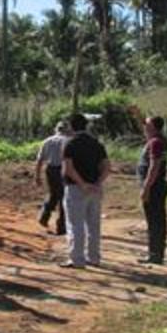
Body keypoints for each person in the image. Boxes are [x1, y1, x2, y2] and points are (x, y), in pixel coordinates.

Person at [61, 112, 110, 268]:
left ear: (71, 126)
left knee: (75, 224)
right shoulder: (96, 143)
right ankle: (94, 257)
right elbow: (107, 167)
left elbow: (68, 168)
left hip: (76, 188)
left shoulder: (70, 144)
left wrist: (82, 184)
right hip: (95, 188)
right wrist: (97, 183)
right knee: (94, 225)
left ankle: (77, 259)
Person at [136, 115, 167, 264]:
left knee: (154, 221)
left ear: (153, 127)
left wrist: (146, 187)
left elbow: (154, 166)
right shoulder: (158, 140)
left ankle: (155, 254)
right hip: (157, 186)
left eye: (147, 125)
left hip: (154, 187)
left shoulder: (155, 142)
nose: (144, 127)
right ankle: (156, 252)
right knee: (157, 220)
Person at [35, 120, 71, 235]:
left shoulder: (48, 141)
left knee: (53, 193)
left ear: (56, 129)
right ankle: (61, 227)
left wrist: (37, 175)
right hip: (63, 170)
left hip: (50, 170)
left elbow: (40, 160)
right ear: (67, 130)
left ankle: (44, 217)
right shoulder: (68, 141)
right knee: (64, 197)